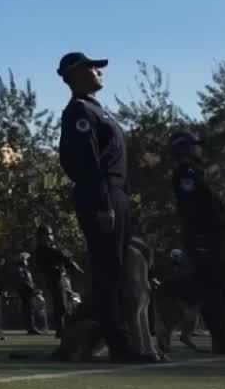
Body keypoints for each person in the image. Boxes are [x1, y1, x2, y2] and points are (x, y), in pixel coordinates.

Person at [55, 52, 158, 362]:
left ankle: (125, 339)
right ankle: (119, 343)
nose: (99, 71)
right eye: (91, 67)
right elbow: (86, 162)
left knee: (120, 270)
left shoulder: (99, 111)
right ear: (74, 74)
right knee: (108, 273)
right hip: (100, 193)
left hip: (115, 192)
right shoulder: (79, 112)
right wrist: (102, 202)